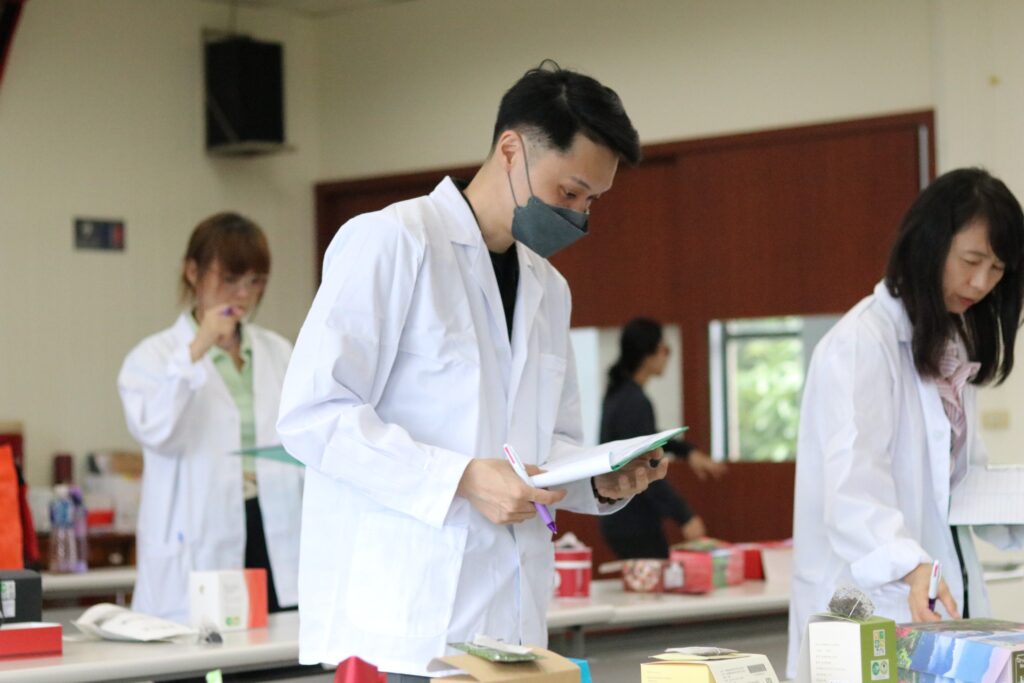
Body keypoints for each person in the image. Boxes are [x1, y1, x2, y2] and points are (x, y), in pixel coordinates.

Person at [277, 62, 668, 680]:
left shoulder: (549, 287)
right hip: (406, 622)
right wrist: (459, 477)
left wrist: (600, 482)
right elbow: (313, 415)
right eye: (569, 192)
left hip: (513, 624)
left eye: (592, 201)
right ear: (511, 150)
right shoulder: (393, 241)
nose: (578, 215)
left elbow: (546, 449)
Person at [786, 168, 1024, 677]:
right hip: (868, 606)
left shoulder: (949, 343)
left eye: (998, 269)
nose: (982, 283)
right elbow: (851, 494)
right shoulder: (861, 344)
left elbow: (960, 487)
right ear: (930, 245)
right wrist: (909, 564)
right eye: (972, 261)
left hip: (936, 602)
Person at [118, 212, 303, 623]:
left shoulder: (277, 352)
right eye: (230, 279)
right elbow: (157, 431)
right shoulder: (154, 357)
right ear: (193, 272)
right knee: (212, 646)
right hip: (200, 533)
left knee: (280, 644)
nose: (243, 294)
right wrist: (195, 351)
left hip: (273, 527)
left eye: (255, 281)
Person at [599, 317, 726, 559]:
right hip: (631, 519)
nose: (668, 356)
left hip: (623, 517)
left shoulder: (621, 394)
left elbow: (646, 438)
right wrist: (685, 516)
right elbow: (645, 466)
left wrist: (687, 452)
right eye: (665, 349)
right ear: (649, 354)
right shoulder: (634, 402)